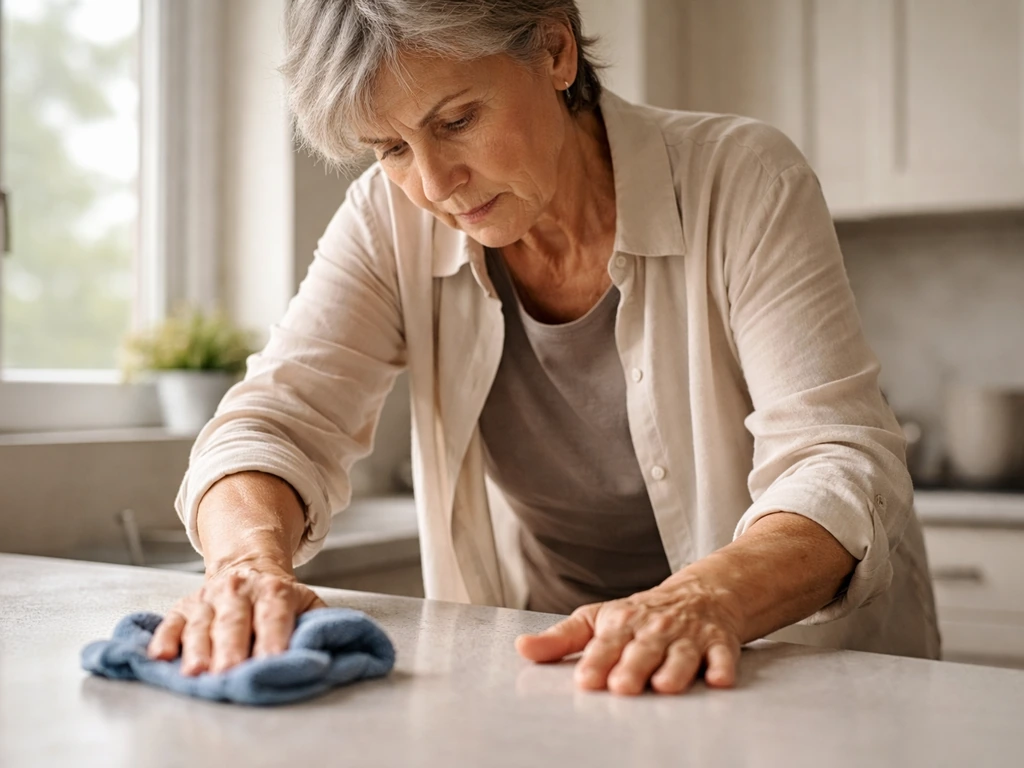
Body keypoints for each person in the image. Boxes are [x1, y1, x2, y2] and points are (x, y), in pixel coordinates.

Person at [146, 0, 940, 696]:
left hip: (785, 667)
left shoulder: (741, 180)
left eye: (456, 120)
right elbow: (272, 425)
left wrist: (705, 598)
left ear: (555, 51)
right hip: (561, 676)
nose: (434, 183)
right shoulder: (389, 223)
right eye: (389, 149)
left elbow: (838, 462)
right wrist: (245, 569)